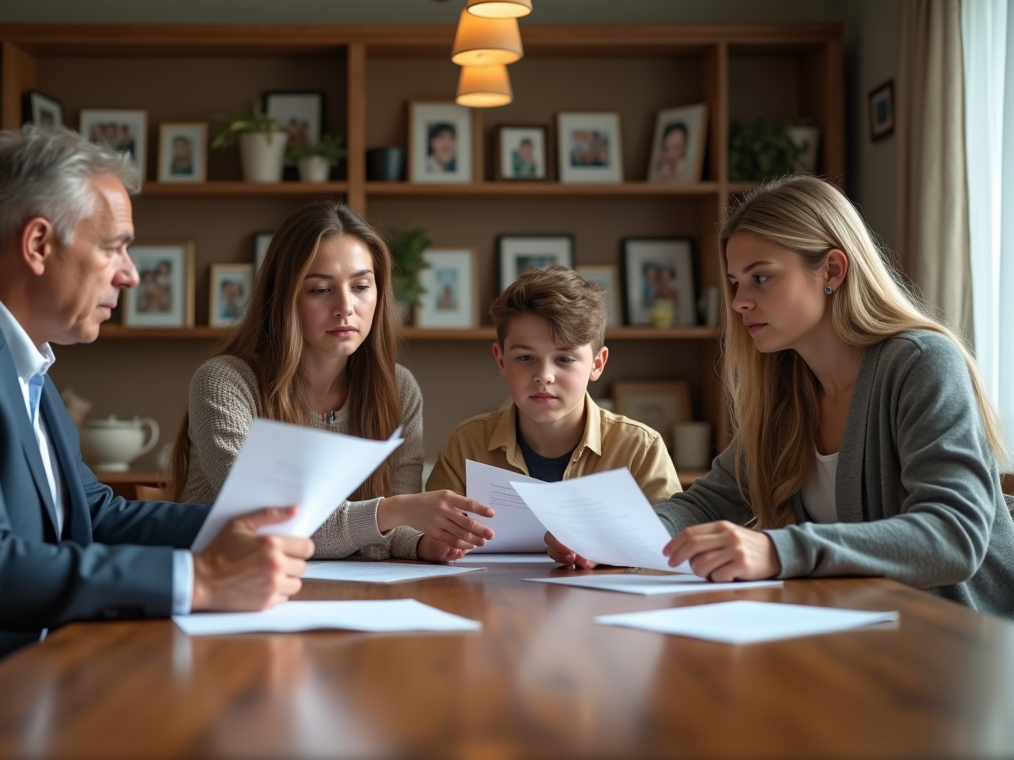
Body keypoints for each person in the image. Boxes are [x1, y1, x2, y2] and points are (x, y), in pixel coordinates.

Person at [0, 125, 314, 715]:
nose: (130, 274)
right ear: (38, 244)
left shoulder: (17, 357)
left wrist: (245, 523)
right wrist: (200, 579)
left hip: (18, 671)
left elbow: (94, 517)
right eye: (114, 247)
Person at [546, 177, 1014, 618]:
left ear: (832, 270)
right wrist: (616, 537)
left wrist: (777, 549)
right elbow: (708, 504)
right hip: (863, 632)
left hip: (962, 640)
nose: (739, 302)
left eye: (762, 278)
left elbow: (955, 534)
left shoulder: (921, 362)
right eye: (736, 282)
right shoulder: (788, 388)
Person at [173, 200, 495, 561]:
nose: (346, 307)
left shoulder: (398, 388)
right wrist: (394, 510)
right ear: (284, 297)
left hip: (342, 587)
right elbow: (270, 523)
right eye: (321, 289)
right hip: (225, 581)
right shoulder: (225, 383)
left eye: (361, 286)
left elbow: (391, 529)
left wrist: (422, 543)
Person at [428, 266, 681, 507]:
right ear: (501, 360)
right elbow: (432, 531)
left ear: (597, 364)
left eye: (565, 359)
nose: (544, 376)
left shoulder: (640, 449)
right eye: (525, 357)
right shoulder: (466, 445)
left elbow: (670, 536)